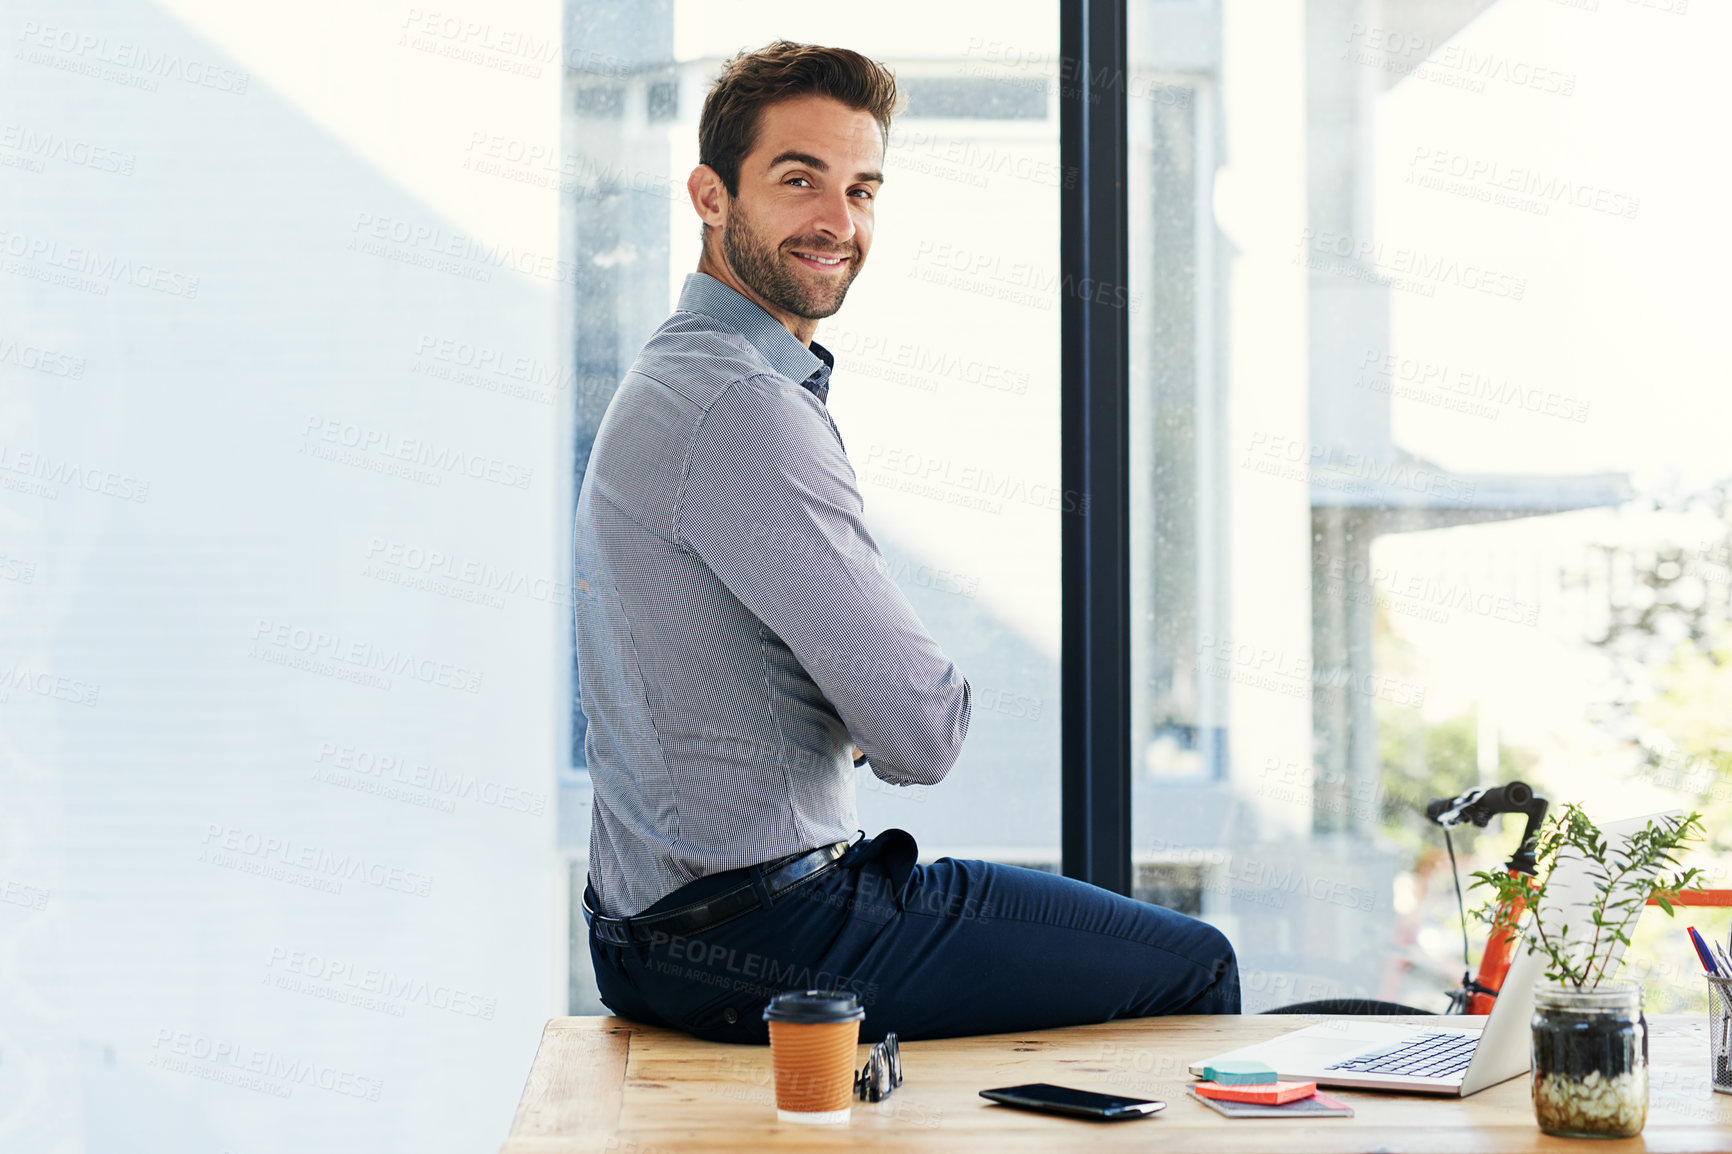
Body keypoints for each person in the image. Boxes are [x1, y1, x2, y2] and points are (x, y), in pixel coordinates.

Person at [575, 38, 1239, 1044]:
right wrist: (854, 701)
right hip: (768, 931)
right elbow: (921, 732)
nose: (838, 221)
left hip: (655, 935)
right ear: (710, 196)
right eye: (799, 180)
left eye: (862, 189)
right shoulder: (741, 404)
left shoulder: (681, 377)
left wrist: (834, 697)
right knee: (1196, 964)